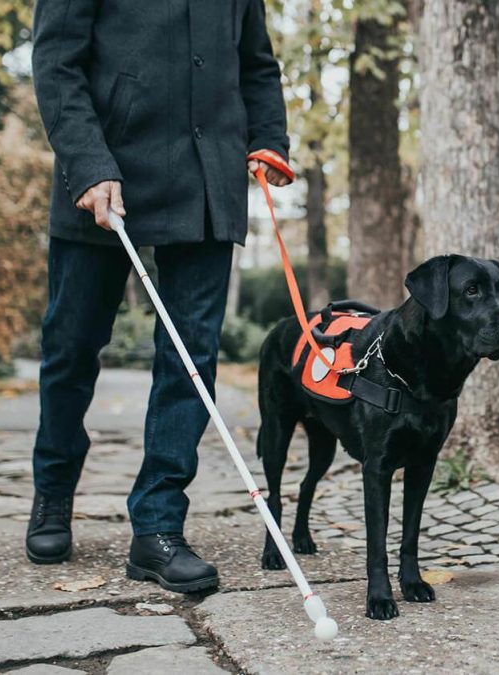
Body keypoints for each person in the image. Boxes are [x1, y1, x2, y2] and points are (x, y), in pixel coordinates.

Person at [25, 0, 293, 594]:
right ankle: (53, 489)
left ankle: (157, 527)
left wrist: (269, 136)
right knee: (70, 345)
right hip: (104, 173)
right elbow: (56, 60)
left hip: (207, 178)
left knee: (190, 359)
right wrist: (89, 164)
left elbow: (256, 64)